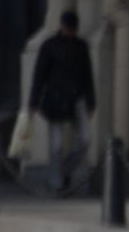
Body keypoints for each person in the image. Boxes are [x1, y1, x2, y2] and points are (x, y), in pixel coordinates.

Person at [27, 10, 96, 191]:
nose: (69, 31)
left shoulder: (81, 46)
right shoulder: (50, 46)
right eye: (67, 27)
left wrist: (91, 102)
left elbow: (87, 75)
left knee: (85, 139)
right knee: (56, 145)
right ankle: (56, 183)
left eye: (72, 28)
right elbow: (39, 76)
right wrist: (33, 103)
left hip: (78, 98)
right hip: (55, 100)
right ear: (61, 26)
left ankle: (63, 171)